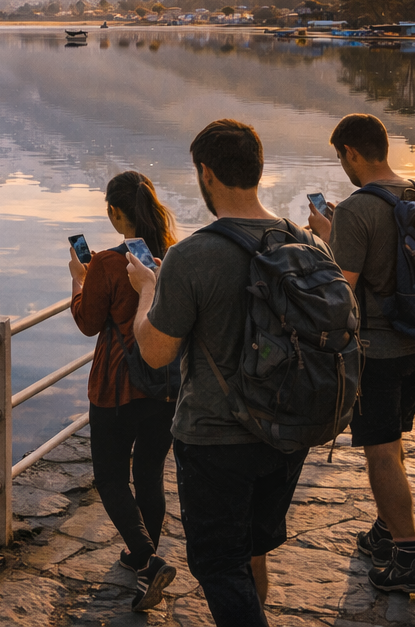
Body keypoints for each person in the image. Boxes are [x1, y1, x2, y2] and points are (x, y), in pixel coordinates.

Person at [127, 119, 318, 627]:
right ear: (258, 169)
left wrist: (147, 289)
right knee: (252, 551)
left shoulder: (192, 256)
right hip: (287, 431)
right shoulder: (304, 243)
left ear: (206, 175)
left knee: (217, 563)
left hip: (216, 439)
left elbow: (155, 353)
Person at [306, 113, 415, 594]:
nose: (342, 165)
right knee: (393, 438)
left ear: (352, 154)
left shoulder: (357, 210)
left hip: (380, 351)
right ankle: (386, 530)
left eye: (341, 156)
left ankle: (407, 555)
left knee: (380, 452)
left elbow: (341, 293)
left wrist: (328, 239)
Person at [68, 171, 180, 611]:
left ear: (115, 213)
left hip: (117, 388)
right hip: (165, 384)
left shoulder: (107, 265)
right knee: (149, 474)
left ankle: (149, 562)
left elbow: (88, 322)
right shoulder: (172, 255)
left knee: (111, 478)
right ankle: (138, 556)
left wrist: (80, 278)